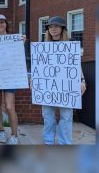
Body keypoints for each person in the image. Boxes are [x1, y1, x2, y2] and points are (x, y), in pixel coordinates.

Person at [41, 16, 86, 145]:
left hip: (66, 86)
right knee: (48, 117)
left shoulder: (71, 43)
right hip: (47, 86)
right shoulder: (44, 45)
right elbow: (39, 66)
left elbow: (76, 64)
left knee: (66, 117)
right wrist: (34, 79)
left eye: (56, 26)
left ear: (62, 28)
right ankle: (48, 142)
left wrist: (82, 80)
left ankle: (65, 143)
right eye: (50, 27)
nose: (53, 29)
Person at [0, 14, 20, 145]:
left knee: (9, 106)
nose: (0, 24)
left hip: (10, 76)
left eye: (2, 22)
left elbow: (18, 58)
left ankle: (14, 135)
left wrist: (21, 43)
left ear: (6, 24)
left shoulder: (14, 39)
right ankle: (1, 130)